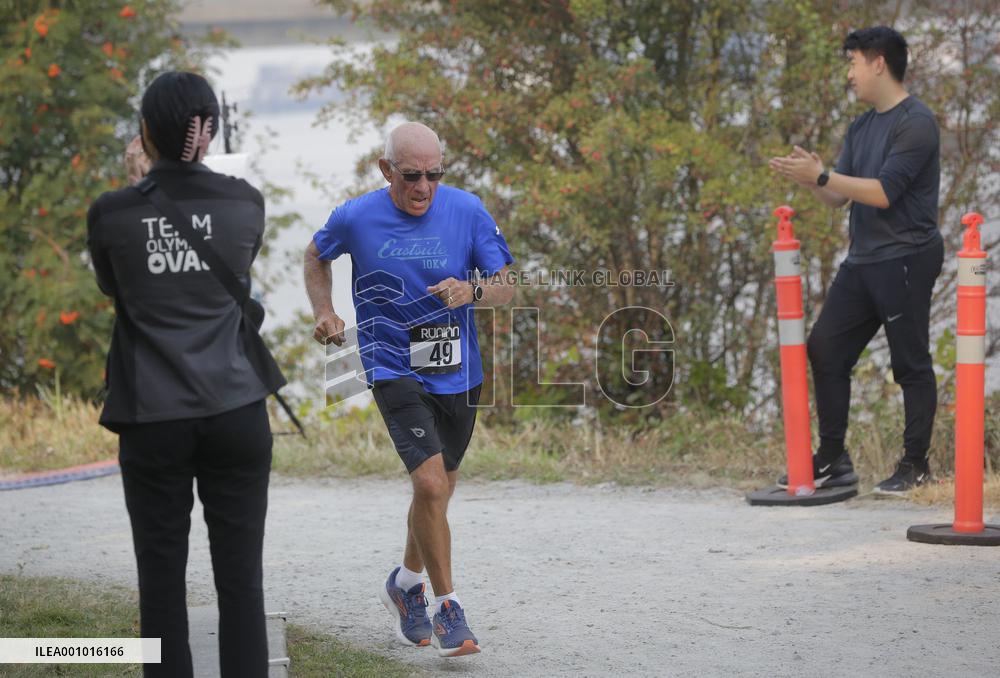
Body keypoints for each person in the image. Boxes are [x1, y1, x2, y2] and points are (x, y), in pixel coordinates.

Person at [87, 71, 285, 677]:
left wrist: (140, 188)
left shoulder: (112, 213)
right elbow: (234, 278)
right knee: (241, 582)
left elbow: (115, 288)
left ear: (145, 132)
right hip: (236, 412)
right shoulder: (245, 203)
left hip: (153, 418)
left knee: (161, 583)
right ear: (211, 132)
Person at [304, 121, 514, 656]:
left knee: (438, 489)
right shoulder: (355, 217)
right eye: (412, 176)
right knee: (431, 485)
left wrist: (472, 291)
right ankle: (449, 610)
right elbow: (315, 254)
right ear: (386, 170)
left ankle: (404, 585)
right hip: (390, 362)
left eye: (433, 175)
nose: (424, 187)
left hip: (457, 370)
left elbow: (507, 285)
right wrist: (325, 310)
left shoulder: (467, 210)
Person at [769, 26, 943, 495]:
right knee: (825, 348)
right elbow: (838, 197)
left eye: (853, 62)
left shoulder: (916, 123)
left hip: (907, 256)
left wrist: (824, 174)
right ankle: (833, 459)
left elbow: (884, 192)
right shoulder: (862, 126)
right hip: (862, 259)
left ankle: (915, 464)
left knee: (910, 363)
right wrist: (811, 179)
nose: (849, 73)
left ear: (878, 63)